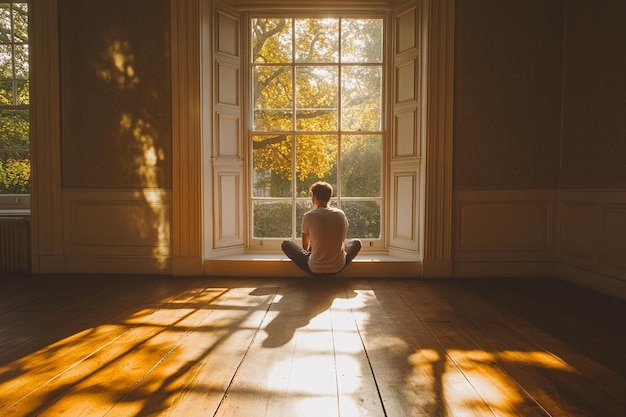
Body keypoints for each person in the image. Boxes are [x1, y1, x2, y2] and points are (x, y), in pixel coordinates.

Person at [281, 181, 361, 275]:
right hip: (338, 267)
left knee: (286, 244)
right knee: (356, 243)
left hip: (314, 268)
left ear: (314, 197)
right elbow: (342, 240)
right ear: (329, 197)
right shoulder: (340, 214)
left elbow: (305, 247)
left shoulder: (309, 216)